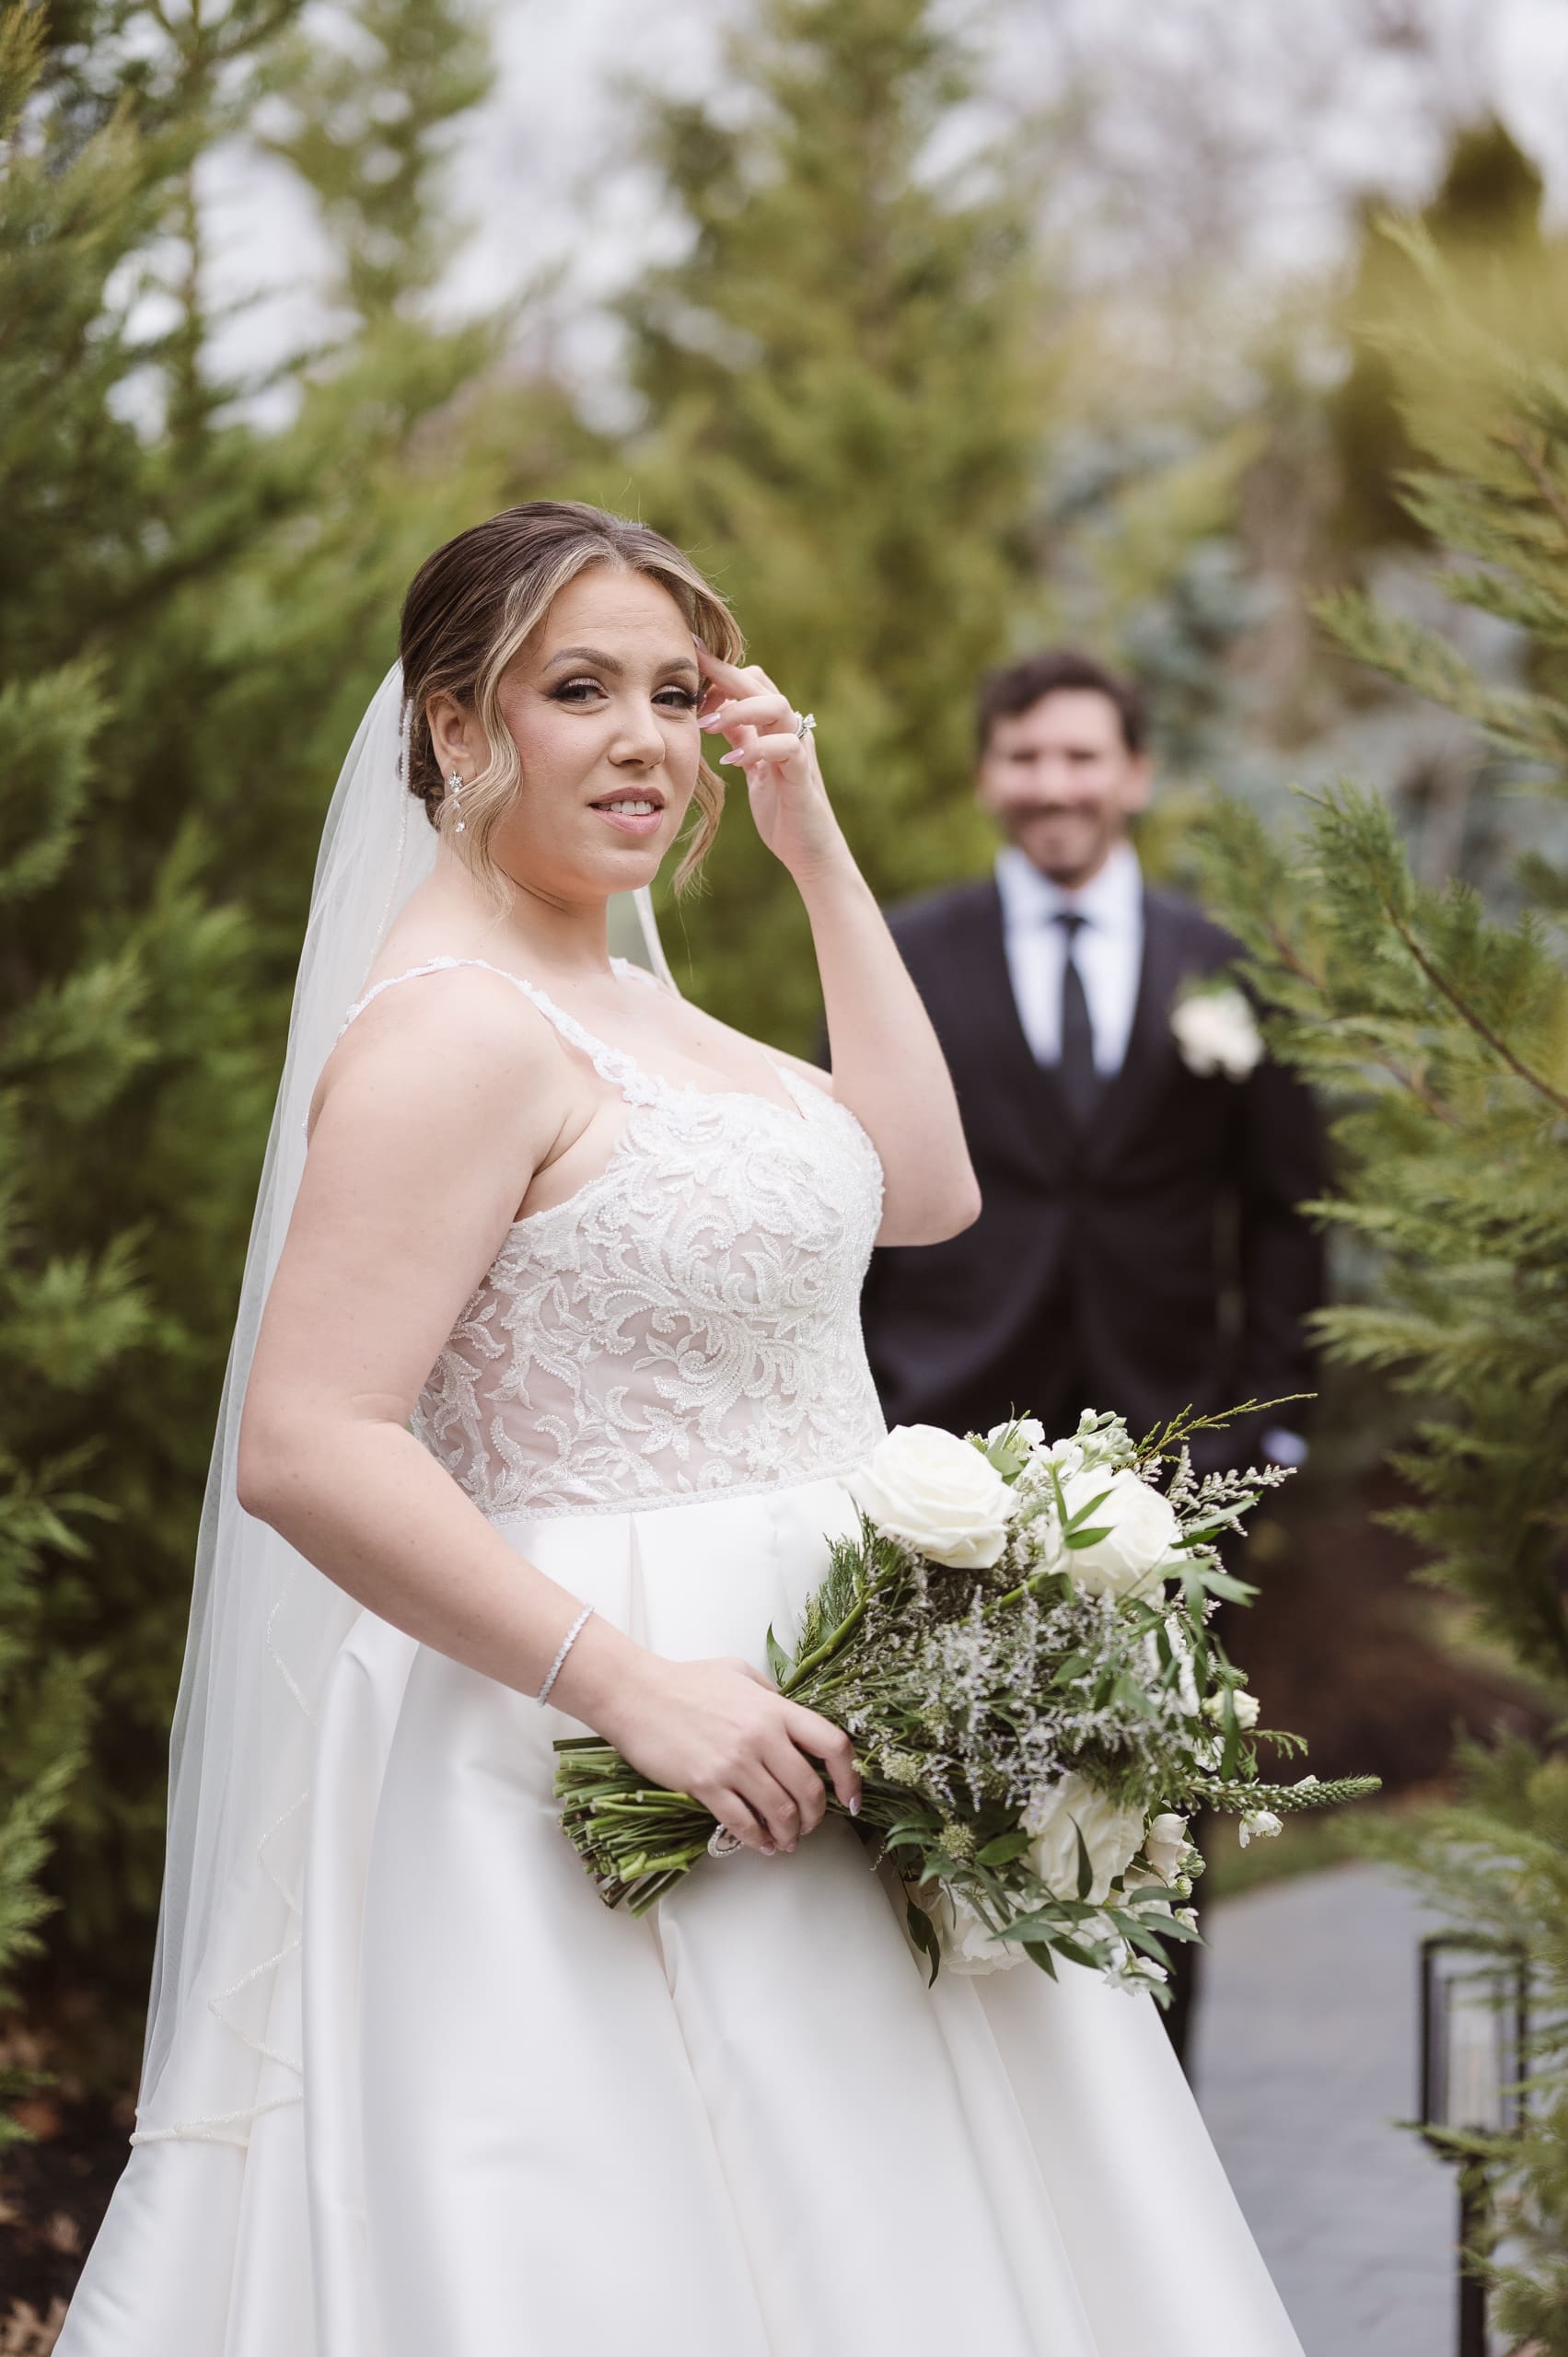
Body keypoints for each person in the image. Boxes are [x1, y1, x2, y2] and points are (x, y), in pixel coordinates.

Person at [58, 511, 1305, 2356]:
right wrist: (634, 1686)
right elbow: (308, 1441)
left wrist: (814, 850)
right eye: (579, 690)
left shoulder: (626, 995)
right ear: (457, 728)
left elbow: (928, 1186)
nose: (644, 739)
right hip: (595, 1740)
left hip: (826, 1715)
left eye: (671, 690)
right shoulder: (452, 1035)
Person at [858, 647, 1327, 2061]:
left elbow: (1290, 1210)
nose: (1053, 784)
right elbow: (853, 1186)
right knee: (938, 1794)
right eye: (1026, 757)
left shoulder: (1228, 965)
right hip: (946, 1445)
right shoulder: (902, 956)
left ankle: (1155, 2118)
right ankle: (961, 2102)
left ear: (1134, 774)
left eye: (1080, 756)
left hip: (1172, 1456)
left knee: (1155, 1797)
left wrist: (1270, 1430)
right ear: (987, 775)